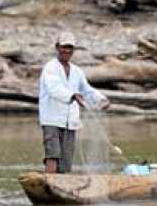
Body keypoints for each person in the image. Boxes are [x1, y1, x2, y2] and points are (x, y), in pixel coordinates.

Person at [38, 31, 109, 174]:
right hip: (52, 119)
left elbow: (87, 90)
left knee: (65, 161)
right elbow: (54, 89)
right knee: (53, 154)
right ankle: (49, 184)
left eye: (70, 48)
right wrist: (72, 95)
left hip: (70, 121)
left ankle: (61, 187)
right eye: (64, 47)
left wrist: (101, 99)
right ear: (57, 47)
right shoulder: (50, 68)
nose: (67, 50)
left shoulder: (77, 71)